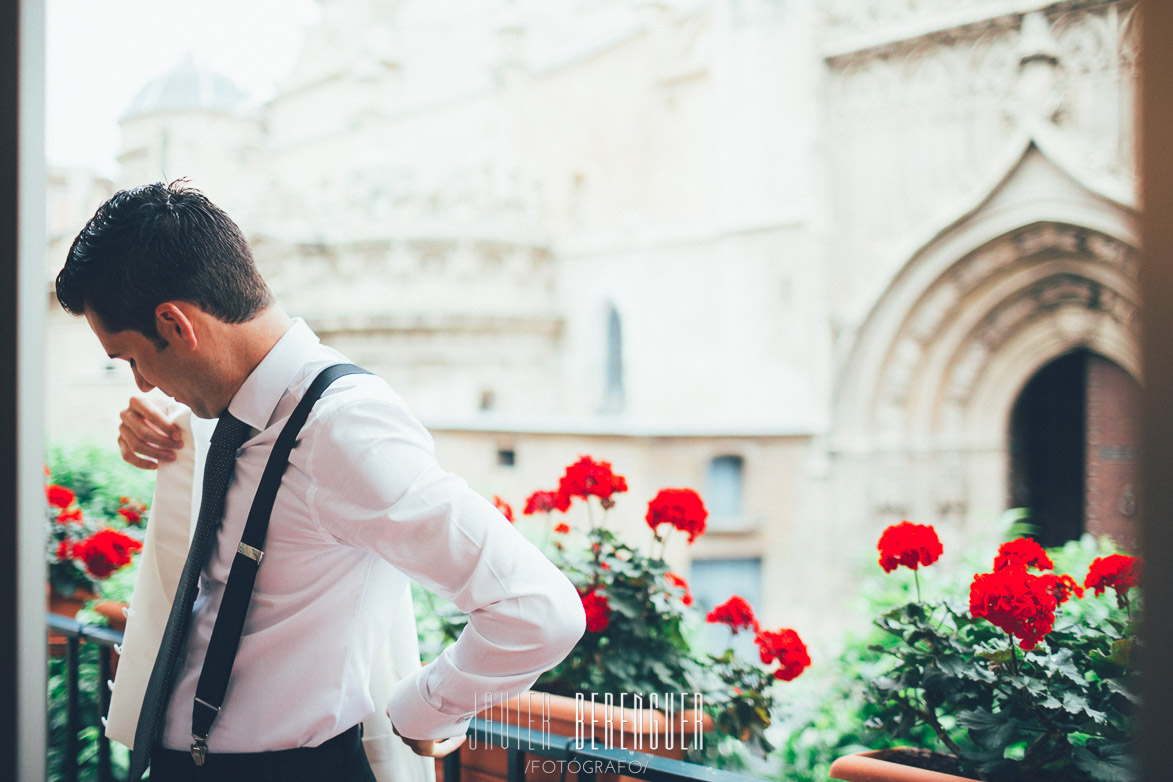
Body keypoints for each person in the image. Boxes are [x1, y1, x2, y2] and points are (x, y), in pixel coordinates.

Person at [55, 181, 587, 782]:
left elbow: (538, 609)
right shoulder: (222, 417)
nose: (142, 384)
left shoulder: (347, 428)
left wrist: (425, 709)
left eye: (130, 358)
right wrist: (152, 435)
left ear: (176, 325)